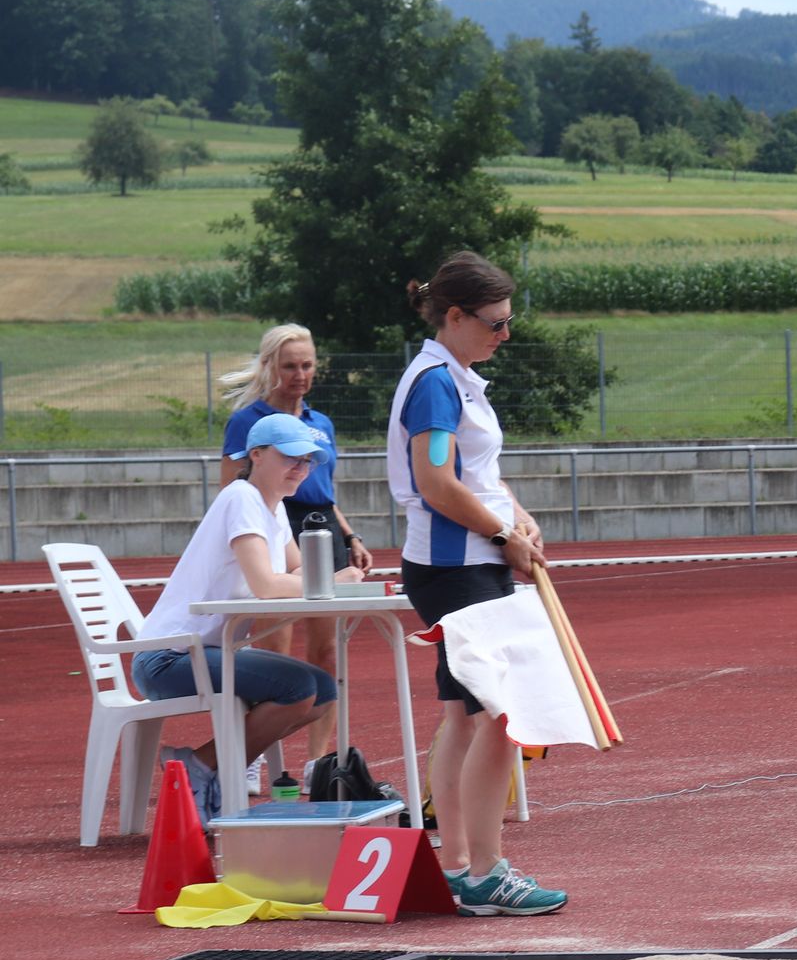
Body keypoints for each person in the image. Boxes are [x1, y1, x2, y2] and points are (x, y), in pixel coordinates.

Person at [387, 250, 566, 918]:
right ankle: (486, 870)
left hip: (467, 558)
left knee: (464, 715)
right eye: (495, 323)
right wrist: (501, 536)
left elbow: (476, 471)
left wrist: (516, 516)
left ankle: (460, 864)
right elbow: (436, 482)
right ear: (455, 316)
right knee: (500, 715)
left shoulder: (453, 377)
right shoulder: (435, 382)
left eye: (508, 321)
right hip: (456, 564)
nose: (505, 334)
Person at [133, 417, 344, 822]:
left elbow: (302, 574)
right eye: (290, 458)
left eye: (307, 461)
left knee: (322, 691)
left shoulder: (273, 507)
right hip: (168, 658)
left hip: (202, 651)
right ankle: (204, 768)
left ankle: (203, 766)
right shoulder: (241, 498)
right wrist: (331, 580)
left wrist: (331, 579)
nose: (301, 468)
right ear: (257, 455)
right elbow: (267, 584)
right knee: (300, 688)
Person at [215, 324, 373, 782]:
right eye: (289, 366)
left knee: (327, 652)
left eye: (306, 365)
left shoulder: (320, 424)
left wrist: (352, 536)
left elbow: (322, 489)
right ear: (270, 367)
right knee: (271, 653)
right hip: (274, 526)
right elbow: (231, 489)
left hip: (323, 531)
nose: (299, 374)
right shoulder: (249, 420)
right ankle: (252, 753)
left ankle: (316, 762)